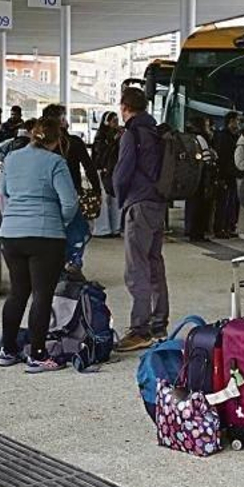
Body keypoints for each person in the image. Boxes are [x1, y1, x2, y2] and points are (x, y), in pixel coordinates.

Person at [0, 119, 79, 373]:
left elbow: (4, 190)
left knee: (18, 292)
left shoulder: (11, 158)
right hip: (46, 236)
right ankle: (38, 354)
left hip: (11, 234)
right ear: (56, 140)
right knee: (42, 294)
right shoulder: (56, 163)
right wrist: (58, 221)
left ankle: (8, 349)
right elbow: (70, 203)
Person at [112, 86, 169, 352]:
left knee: (136, 268)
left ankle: (140, 329)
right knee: (154, 263)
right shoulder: (156, 132)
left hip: (139, 203)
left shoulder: (131, 133)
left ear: (124, 107)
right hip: (159, 203)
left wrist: (120, 197)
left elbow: (122, 173)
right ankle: (159, 323)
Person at [39, 103, 100, 276]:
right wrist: (96, 189)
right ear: (61, 121)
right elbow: (89, 167)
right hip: (72, 192)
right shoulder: (74, 142)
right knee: (77, 229)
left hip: (48, 195)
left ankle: (53, 265)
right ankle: (73, 260)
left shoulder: (39, 145)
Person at [90, 111, 123, 238]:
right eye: (113, 121)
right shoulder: (101, 137)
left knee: (114, 199)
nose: (115, 124)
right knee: (103, 199)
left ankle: (115, 227)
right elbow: (100, 155)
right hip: (103, 170)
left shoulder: (119, 136)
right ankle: (102, 228)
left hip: (114, 171)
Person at [211, 111, 241, 239]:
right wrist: (221, 176)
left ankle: (228, 226)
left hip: (232, 174)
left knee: (231, 203)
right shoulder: (223, 137)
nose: (239, 124)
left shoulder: (235, 137)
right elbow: (222, 157)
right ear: (231, 122)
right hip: (225, 174)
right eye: (237, 121)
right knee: (223, 203)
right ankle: (220, 228)